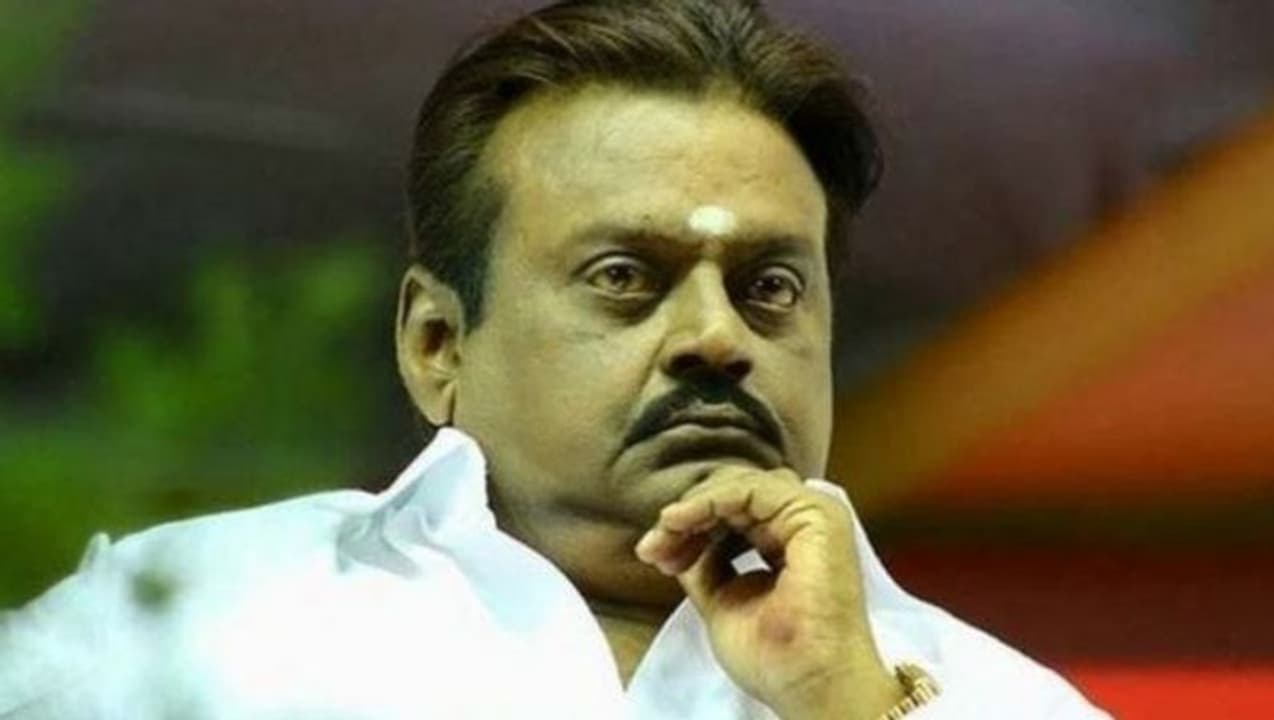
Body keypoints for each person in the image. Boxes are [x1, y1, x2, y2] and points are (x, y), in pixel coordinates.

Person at [0, 1, 1111, 717]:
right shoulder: (179, 620)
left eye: (769, 287)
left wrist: (847, 706)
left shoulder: (990, 702)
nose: (717, 337)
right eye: (625, 276)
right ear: (437, 344)